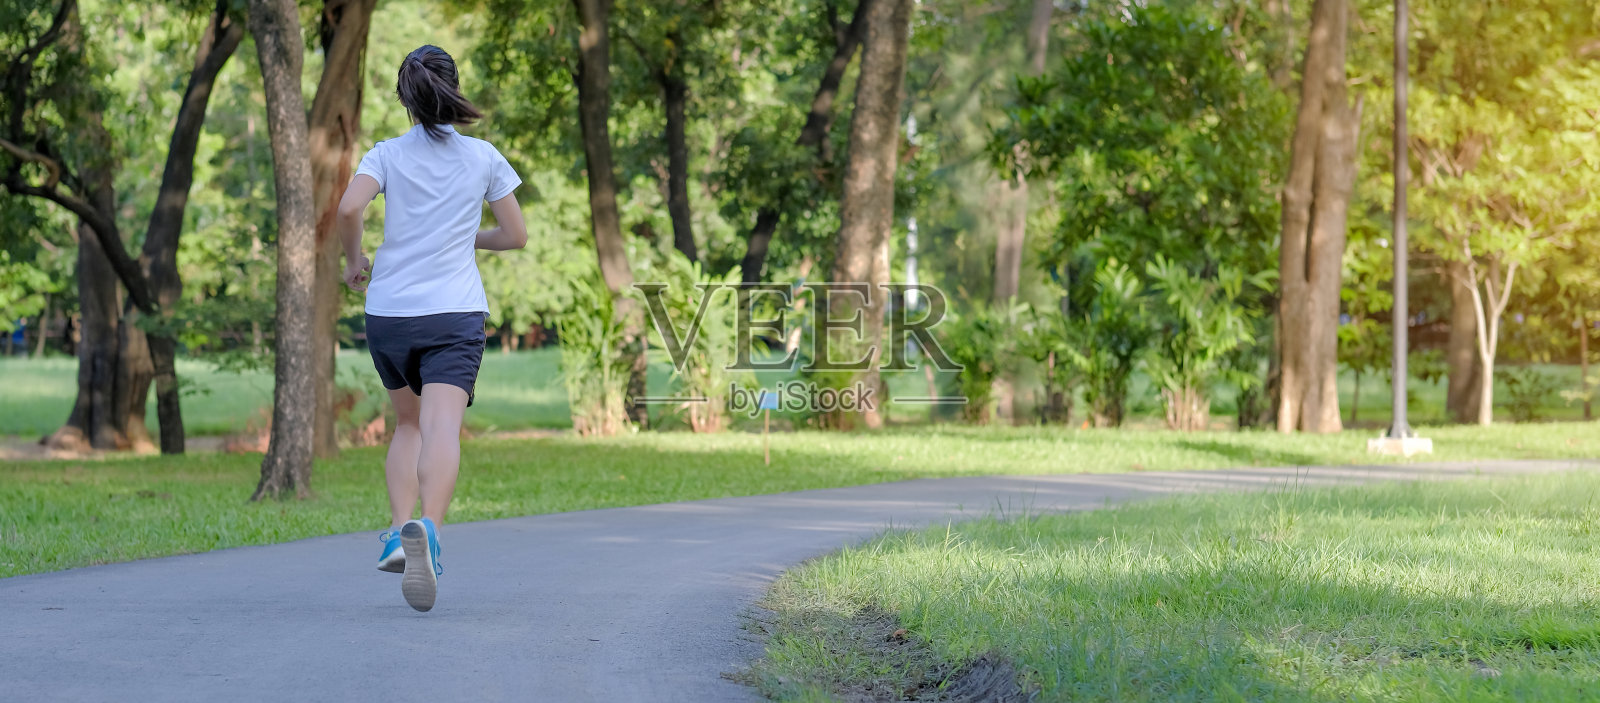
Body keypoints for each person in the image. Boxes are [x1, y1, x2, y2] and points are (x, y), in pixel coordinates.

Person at [336, 44, 527, 612]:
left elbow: (349, 209)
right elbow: (515, 236)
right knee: (443, 427)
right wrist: (468, 237)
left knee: (408, 424)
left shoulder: (386, 154)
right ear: (451, 88)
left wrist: (354, 261)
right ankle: (431, 532)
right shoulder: (484, 156)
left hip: (390, 314)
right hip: (454, 314)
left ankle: (399, 532)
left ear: (407, 98)